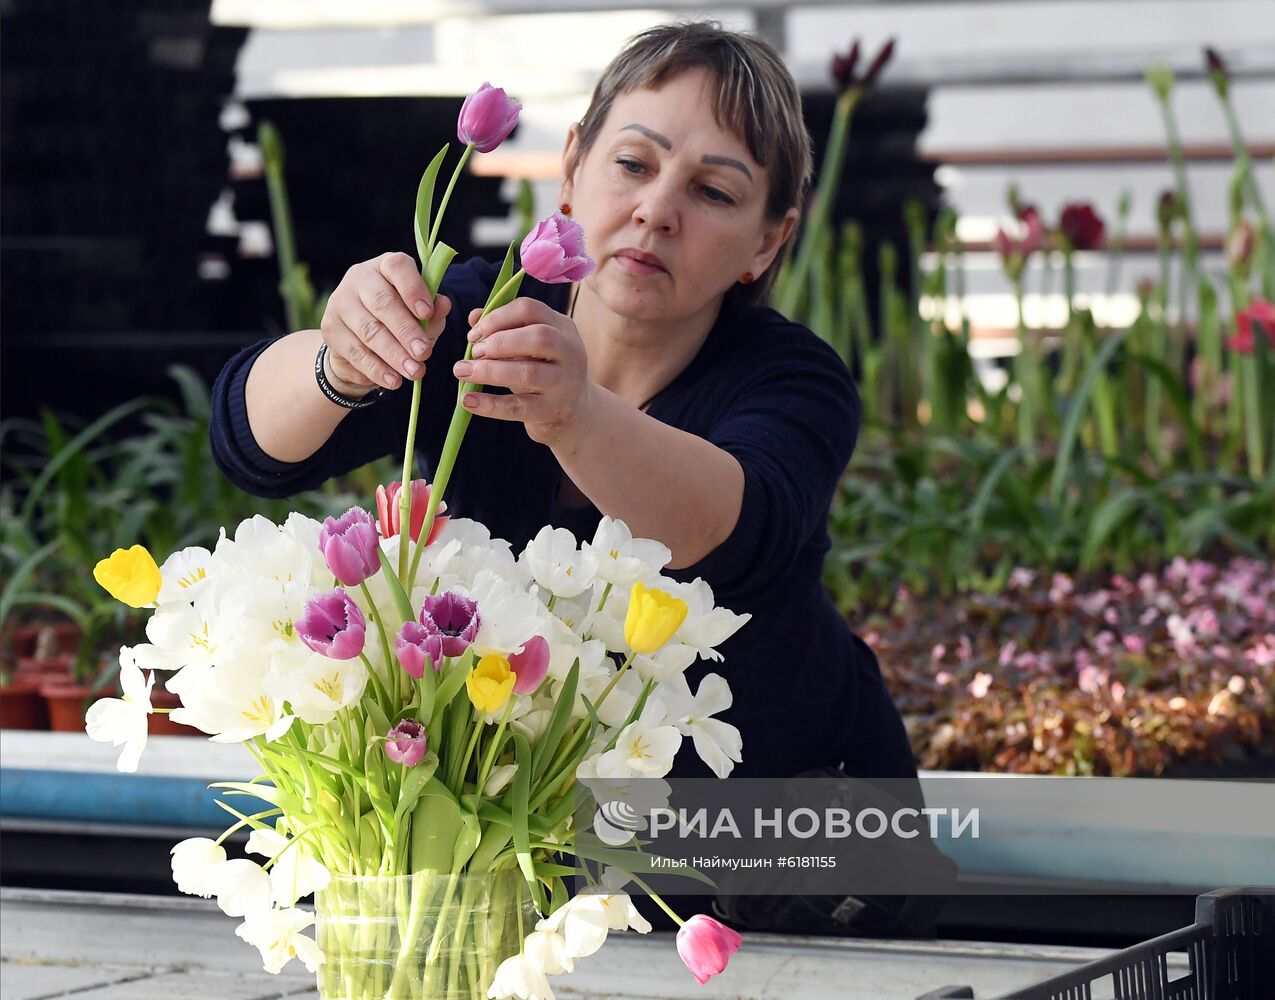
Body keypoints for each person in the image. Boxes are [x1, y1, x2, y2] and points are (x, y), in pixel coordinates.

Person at [211, 20, 929, 934]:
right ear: (573, 165)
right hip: (547, 841)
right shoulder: (486, 314)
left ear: (766, 241)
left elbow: (732, 530)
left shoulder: (794, 381)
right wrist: (339, 360)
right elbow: (253, 446)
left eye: (713, 191)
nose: (657, 209)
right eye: (633, 163)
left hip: (794, 836)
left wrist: (575, 414)